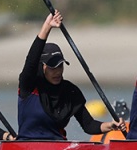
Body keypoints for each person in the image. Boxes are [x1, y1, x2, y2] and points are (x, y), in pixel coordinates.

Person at [17, 11, 125, 140]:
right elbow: (31, 60)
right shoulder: (29, 85)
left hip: (58, 148)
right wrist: (47, 26)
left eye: (60, 66)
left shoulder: (70, 91)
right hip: (26, 147)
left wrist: (111, 125)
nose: (57, 72)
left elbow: (89, 125)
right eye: (52, 67)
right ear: (42, 67)